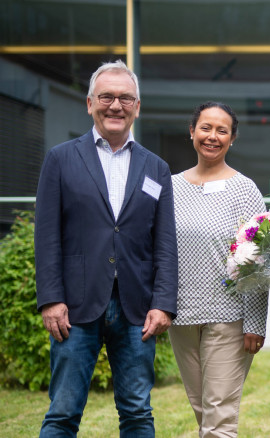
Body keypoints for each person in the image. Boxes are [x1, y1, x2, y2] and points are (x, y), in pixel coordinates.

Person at [34, 59, 177, 437]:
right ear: (89, 103)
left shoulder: (156, 167)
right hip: (74, 308)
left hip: (137, 309)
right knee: (62, 413)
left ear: (137, 107)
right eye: (107, 97)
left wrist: (163, 303)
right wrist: (50, 299)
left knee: (137, 413)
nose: (116, 106)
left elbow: (164, 241)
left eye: (125, 98)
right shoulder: (60, 159)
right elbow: (46, 236)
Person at [168, 101, 268, 436]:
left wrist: (255, 322)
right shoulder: (170, 187)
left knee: (219, 414)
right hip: (180, 317)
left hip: (229, 318)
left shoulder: (244, 190)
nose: (213, 136)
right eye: (206, 128)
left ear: (232, 138)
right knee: (202, 411)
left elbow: (260, 260)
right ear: (192, 131)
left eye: (222, 130)